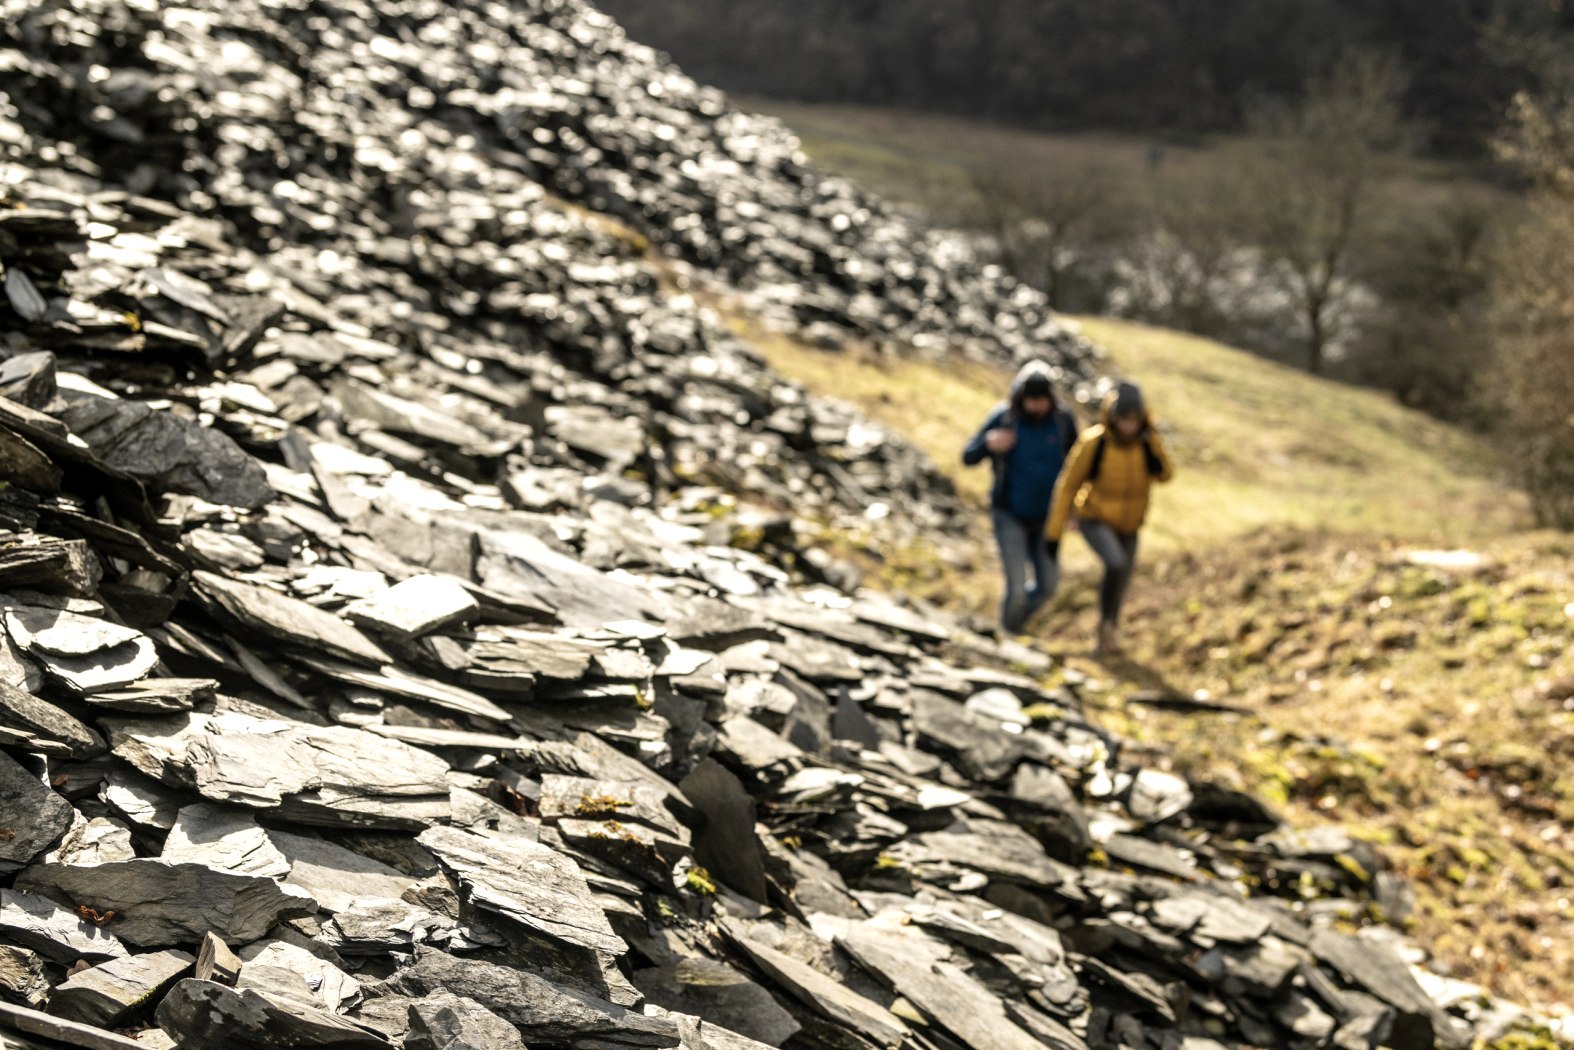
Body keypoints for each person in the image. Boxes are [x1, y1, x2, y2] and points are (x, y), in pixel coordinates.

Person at [1046, 380, 1173, 656]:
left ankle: (1108, 633)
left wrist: (1155, 449)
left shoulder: (1147, 442)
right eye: (1123, 420)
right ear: (1113, 418)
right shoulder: (1095, 442)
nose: (1129, 426)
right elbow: (1068, 485)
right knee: (1115, 564)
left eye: (1134, 420)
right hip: (1094, 519)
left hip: (1130, 525)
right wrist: (1054, 535)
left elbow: (1165, 476)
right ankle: (1104, 630)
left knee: (1122, 577)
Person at [963, 361, 1079, 634]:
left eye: (1043, 400)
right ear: (1021, 397)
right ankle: (1008, 638)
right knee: (1015, 587)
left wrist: (1074, 509)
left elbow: (1077, 468)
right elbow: (968, 456)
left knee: (1048, 587)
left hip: (1048, 519)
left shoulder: (1063, 422)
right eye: (1032, 400)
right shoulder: (1004, 418)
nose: (1037, 406)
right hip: (1009, 514)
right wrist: (988, 444)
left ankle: (1015, 629)